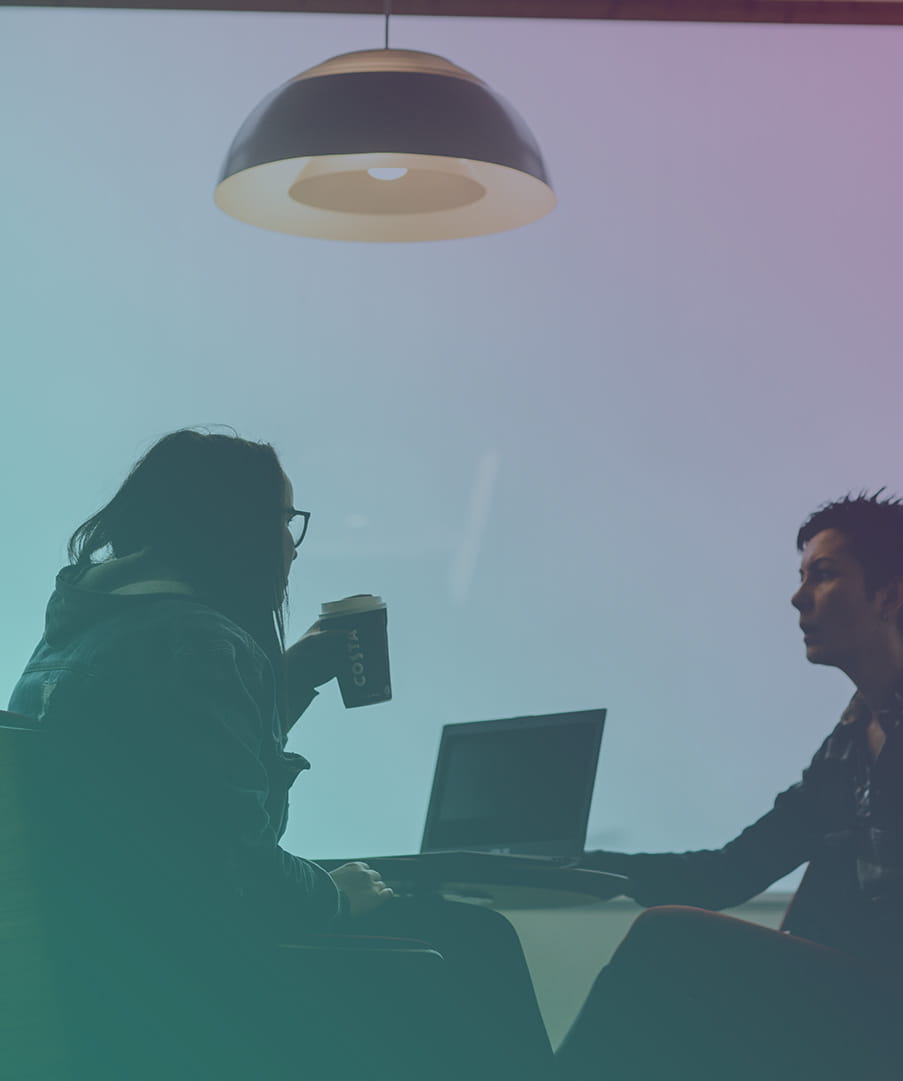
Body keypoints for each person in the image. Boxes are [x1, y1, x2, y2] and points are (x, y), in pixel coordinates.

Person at [8, 428, 551, 1081]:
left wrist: (293, 678)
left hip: (107, 967)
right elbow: (236, 869)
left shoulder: (80, 633)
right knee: (482, 942)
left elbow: (175, 779)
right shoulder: (198, 646)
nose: (291, 550)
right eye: (285, 522)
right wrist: (334, 893)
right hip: (193, 983)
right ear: (237, 527)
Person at [557, 492, 903, 1081]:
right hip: (854, 997)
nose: (798, 597)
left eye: (822, 575)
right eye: (802, 577)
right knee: (674, 988)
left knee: (669, 942)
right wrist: (583, 870)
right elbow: (730, 871)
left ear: (889, 596)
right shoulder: (848, 743)